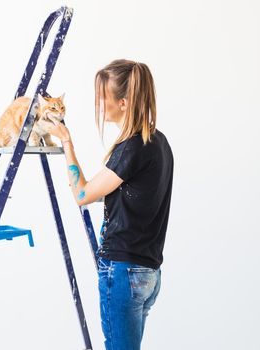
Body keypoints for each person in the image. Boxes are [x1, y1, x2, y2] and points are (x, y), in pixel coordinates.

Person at [46, 59, 173, 350]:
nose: (98, 105)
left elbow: (83, 195)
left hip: (125, 273)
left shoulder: (132, 147)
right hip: (148, 273)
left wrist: (66, 143)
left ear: (124, 103)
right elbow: (123, 193)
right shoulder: (158, 143)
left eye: (102, 98)